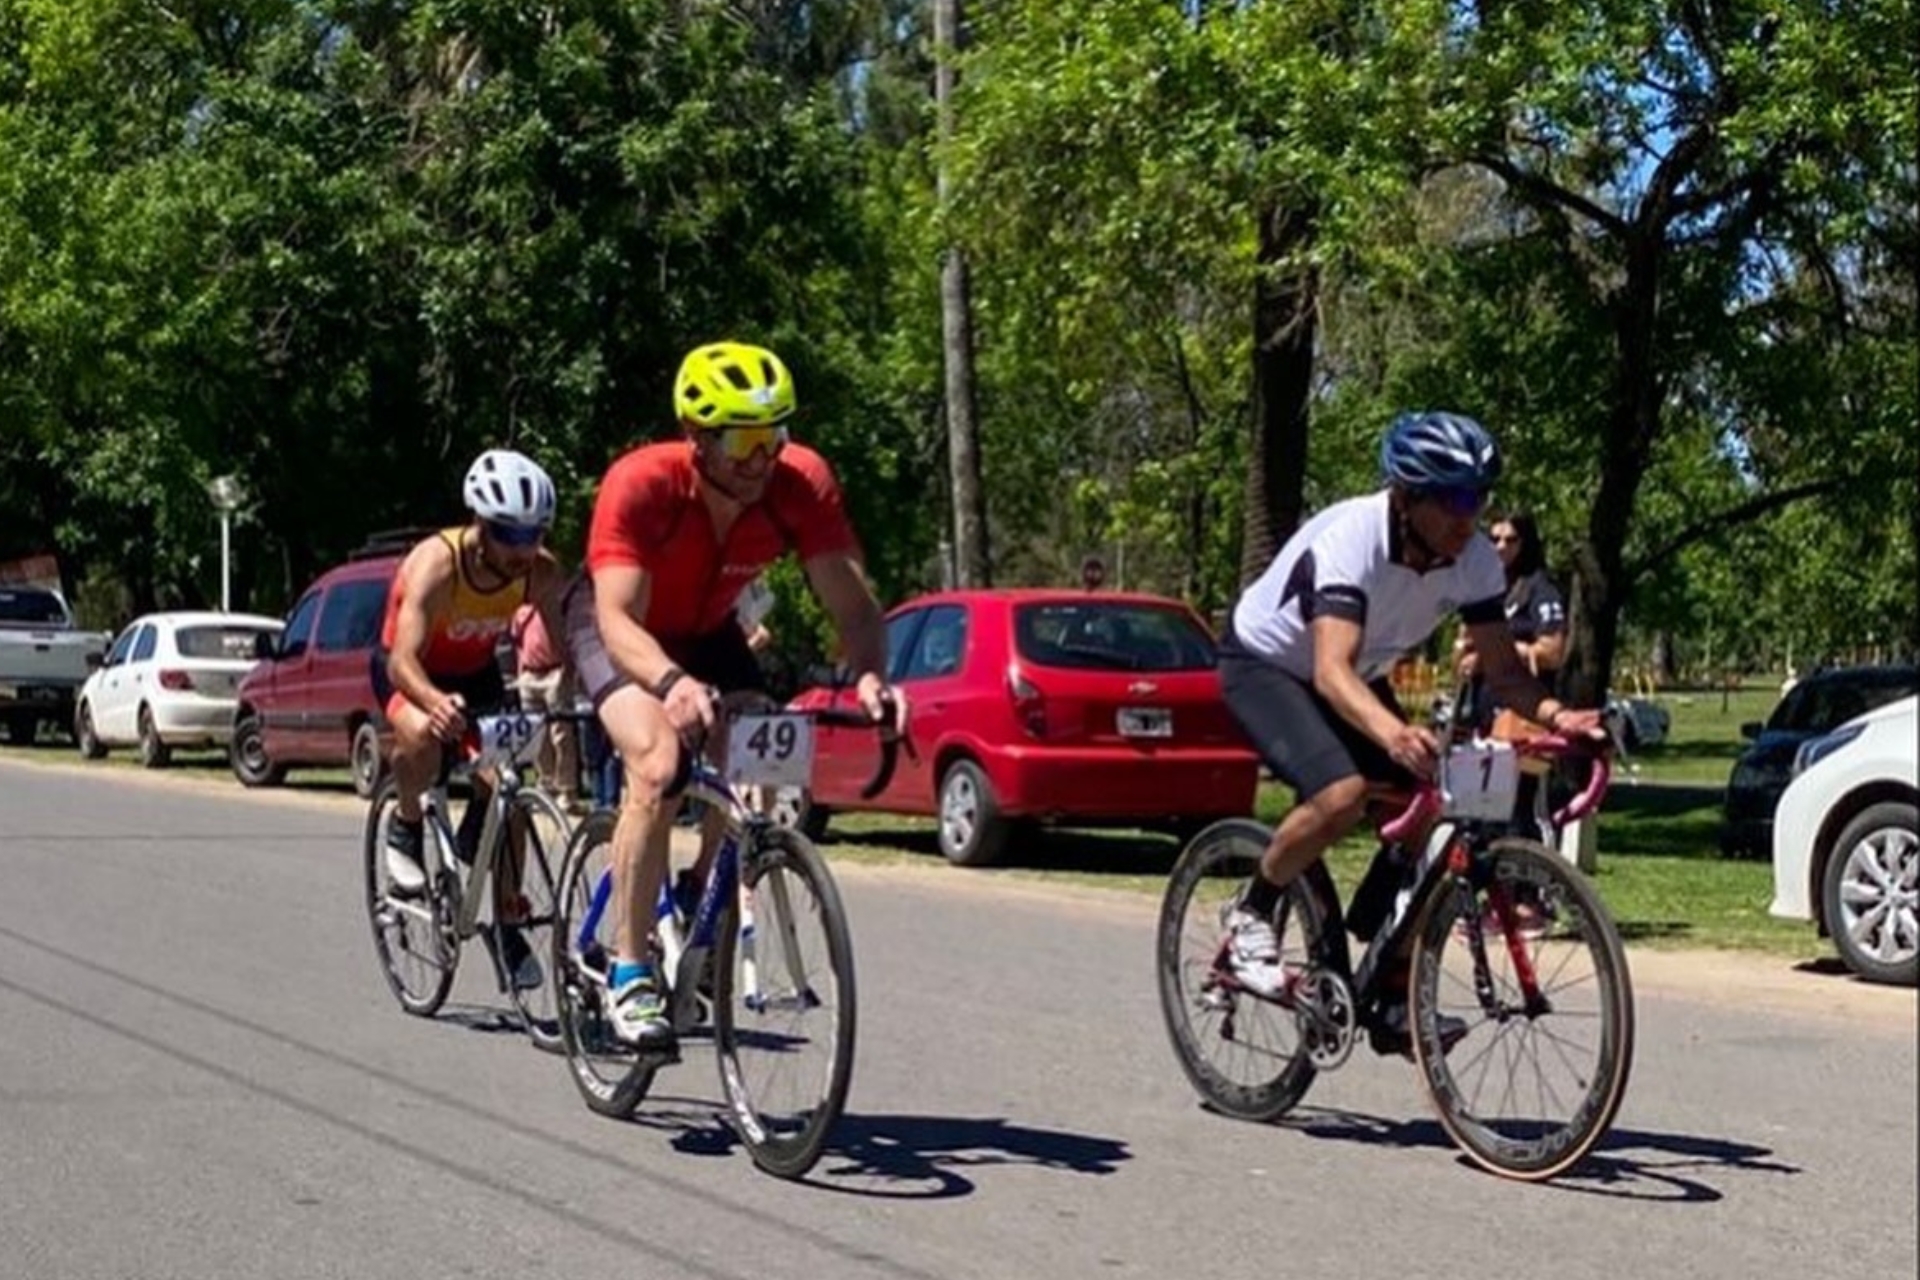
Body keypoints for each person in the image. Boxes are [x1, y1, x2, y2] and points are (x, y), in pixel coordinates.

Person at [1213, 411, 1602, 1052]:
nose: (1466, 518)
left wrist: (1561, 718)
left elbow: (1505, 673)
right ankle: (1252, 913)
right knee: (1340, 795)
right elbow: (1329, 670)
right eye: (1451, 500)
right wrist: (1394, 732)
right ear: (1408, 495)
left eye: (1476, 500)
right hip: (1269, 665)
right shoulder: (1354, 537)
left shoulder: (1474, 559)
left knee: (1438, 805)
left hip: (1354, 674)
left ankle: (1389, 982)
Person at [564, 340, 909, 1052]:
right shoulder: (642, 484)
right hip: (617, 630)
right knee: (658, 765)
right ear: (696, 438)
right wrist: (671, 684)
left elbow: (854, 607)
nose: (763, 459)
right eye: (745, 440)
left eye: (775, 435)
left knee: (757, 757)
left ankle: (696, 890)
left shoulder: (799, 482)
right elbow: (617, 619)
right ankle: (630, 968)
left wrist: (872, 672)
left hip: (707, 628)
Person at [375, 449, 569, 990]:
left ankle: (507, 924)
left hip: (476, 674)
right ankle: (407, 825)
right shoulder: (436, 565)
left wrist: (593, 692)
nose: (523, 549)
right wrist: (432, 701)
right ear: (480, 523)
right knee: (419, 735)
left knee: (507, 792)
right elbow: (401, 660)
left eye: (535, 534)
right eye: (510, 534)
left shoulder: (541, 571)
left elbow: (566, 641)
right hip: (408, 668)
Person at [510, 599, 584, 815]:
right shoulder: (520, 612)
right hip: (529, 675)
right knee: (536, 736)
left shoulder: (555, 607)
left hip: (554, 673)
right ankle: (546, 785)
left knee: (561, 735)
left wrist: (567, 672)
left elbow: (569, 640)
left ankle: (567, 791)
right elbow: (518, 643)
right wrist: (520, 673)